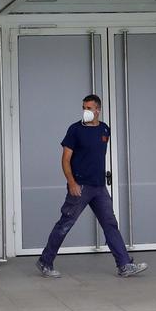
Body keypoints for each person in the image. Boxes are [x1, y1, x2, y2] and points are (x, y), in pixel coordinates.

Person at [37, 94, 147, 278]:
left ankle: (124, 265)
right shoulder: (75, 130)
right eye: (84, 108)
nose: (85, 111)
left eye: (89, 108)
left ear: (98, 110)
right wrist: (72, 182)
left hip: (99, 187)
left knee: (110, 224)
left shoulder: (104, 130)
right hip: (80, 186)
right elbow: (65, 159)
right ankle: (45, 262)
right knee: (65, 224)